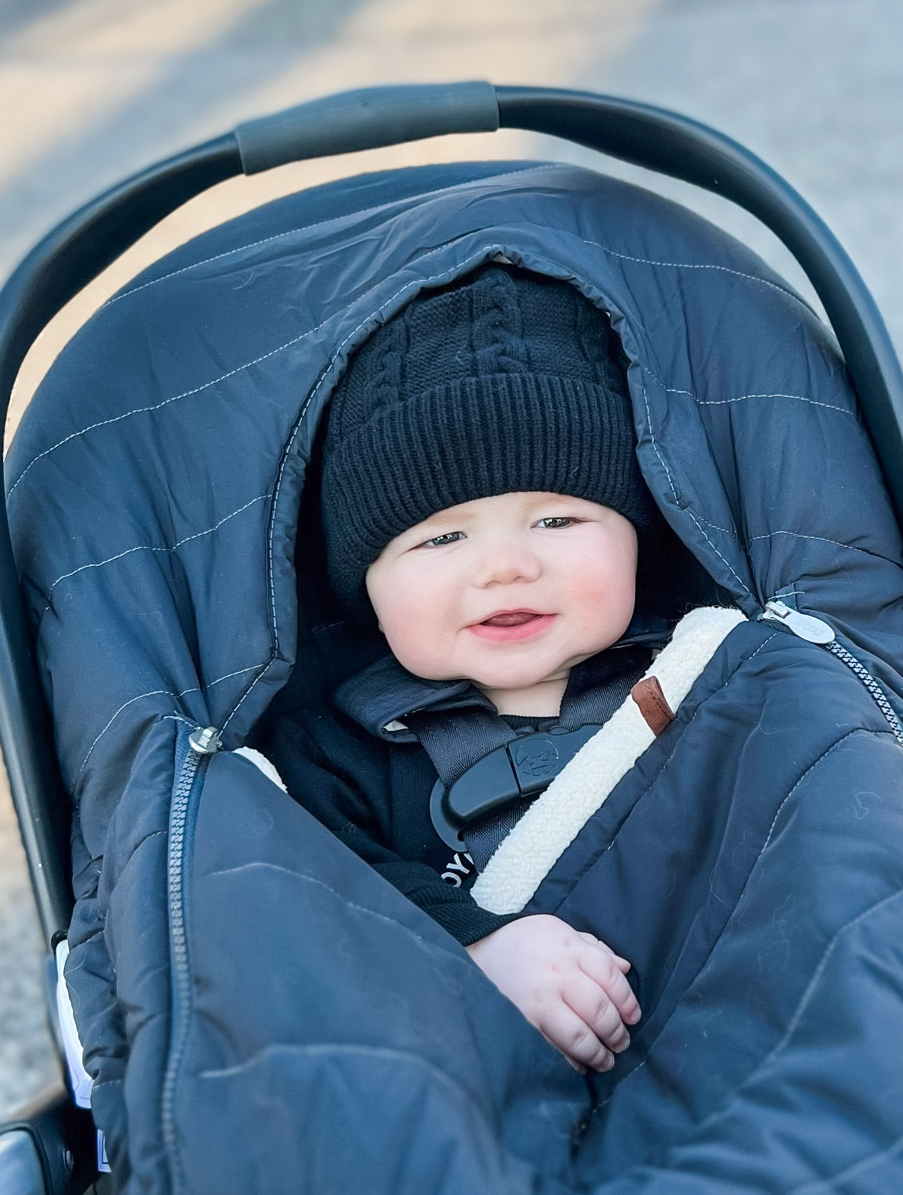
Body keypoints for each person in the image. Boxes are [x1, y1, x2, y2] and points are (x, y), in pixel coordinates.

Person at [260, 260, 697, 1075]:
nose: (505, 567)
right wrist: (473, 943)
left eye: (559, 518)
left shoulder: (703, 678)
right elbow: (313, 906)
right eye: (441, 538)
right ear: (367, 585)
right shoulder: (329, 760)